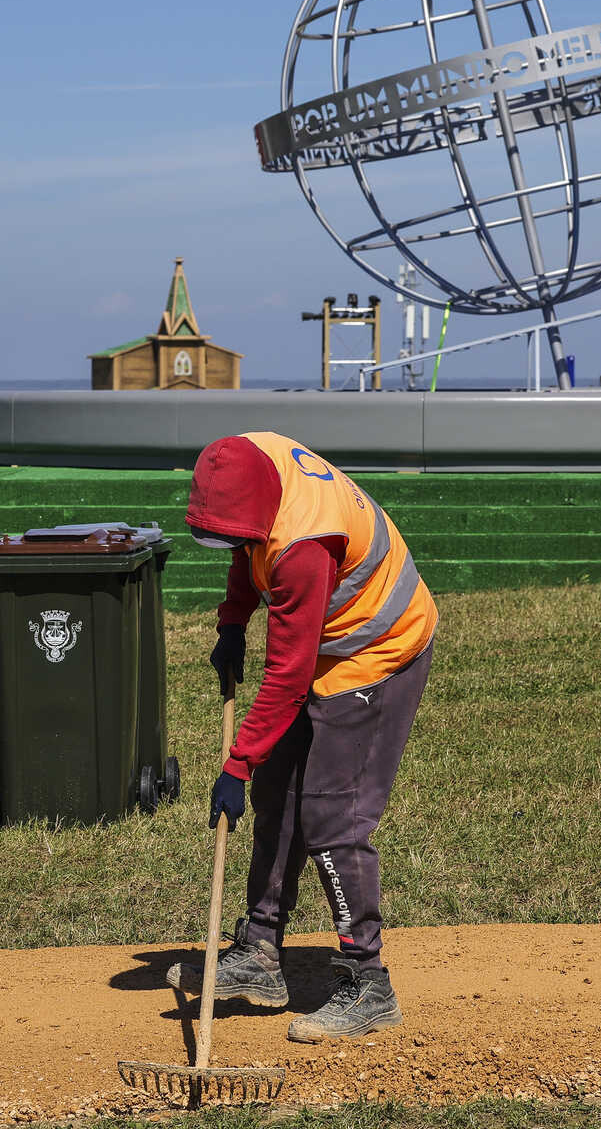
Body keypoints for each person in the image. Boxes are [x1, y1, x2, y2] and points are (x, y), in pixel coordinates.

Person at [166, 431, 437, 1043]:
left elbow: (287, 677)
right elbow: (245, 548)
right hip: (327, 631)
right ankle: (260, 952)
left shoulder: (305, 548)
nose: (233, 545)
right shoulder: (248, 463)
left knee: (330, 816)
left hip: (377, 648)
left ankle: (367, 983)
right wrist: (233, 621)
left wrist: (236, 764)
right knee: (277, 796)